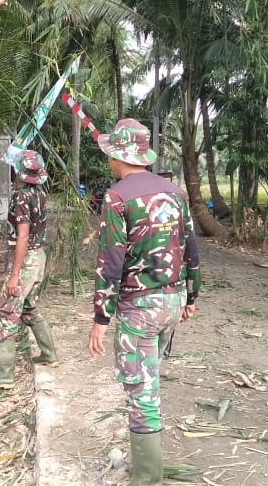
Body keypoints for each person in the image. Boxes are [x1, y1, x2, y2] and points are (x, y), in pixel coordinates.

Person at [86, 119, 200, 486]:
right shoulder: (174, 192)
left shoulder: (117, 197)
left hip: (140, 308)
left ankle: (148, 477)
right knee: (148, 380)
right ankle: (147, 468)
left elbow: (111, 262)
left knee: (141, 389)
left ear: (114, 155)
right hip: (173, 299)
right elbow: (191, 248)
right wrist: (191, 296)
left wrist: (100, 318)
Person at [0, 149, 57, 389]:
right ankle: (49, 354)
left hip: (26, 260)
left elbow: (22, 236)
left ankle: (4, 374)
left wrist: (14, 275)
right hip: (38, 257)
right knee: (29, 308)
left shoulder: (22, 196)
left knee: (7, 312)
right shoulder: (39, 193)